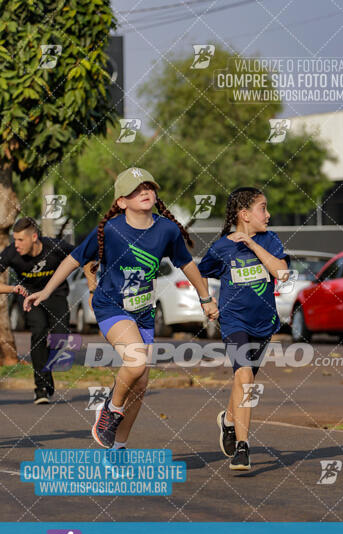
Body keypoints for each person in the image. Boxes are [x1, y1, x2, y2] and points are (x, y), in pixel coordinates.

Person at [24, 167, 219, 449]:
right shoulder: (112, 229)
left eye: (149, 187)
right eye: (136, 190)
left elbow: (186, 263)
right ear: (121, 202)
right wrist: (45, 290)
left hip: (143, 313)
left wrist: (205, 298)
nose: (145, 192)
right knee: (136, 362)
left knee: (140, 384)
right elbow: (74, 259)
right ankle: (110, 410)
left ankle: (118, 446)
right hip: (111, 307)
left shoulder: (166, 229)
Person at [198, 187, 290, 471]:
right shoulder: (222, 248)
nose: (268, 214)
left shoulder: (269, 240)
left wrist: (252, 245)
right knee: (245, 377)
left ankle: (228, 419)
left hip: (263, 324)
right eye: (263, 208)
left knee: (243, 381)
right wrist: (207, 302)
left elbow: (282, 273)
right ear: (245, 214)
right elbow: (199, 272)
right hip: (233, 321)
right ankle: (242, 448)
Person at [0, 217, 74, 404]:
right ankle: (41, 388)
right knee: (39, 330)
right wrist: (12, 289)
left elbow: (83, 257)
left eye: (20, 240)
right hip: (29, 296)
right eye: (14, 239)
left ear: (34, 237)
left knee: (61, 338)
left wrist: (92, 287)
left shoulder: (55, 247)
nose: (16, 244)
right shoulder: (10, 253)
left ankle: (45, 372)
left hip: (55, 294)